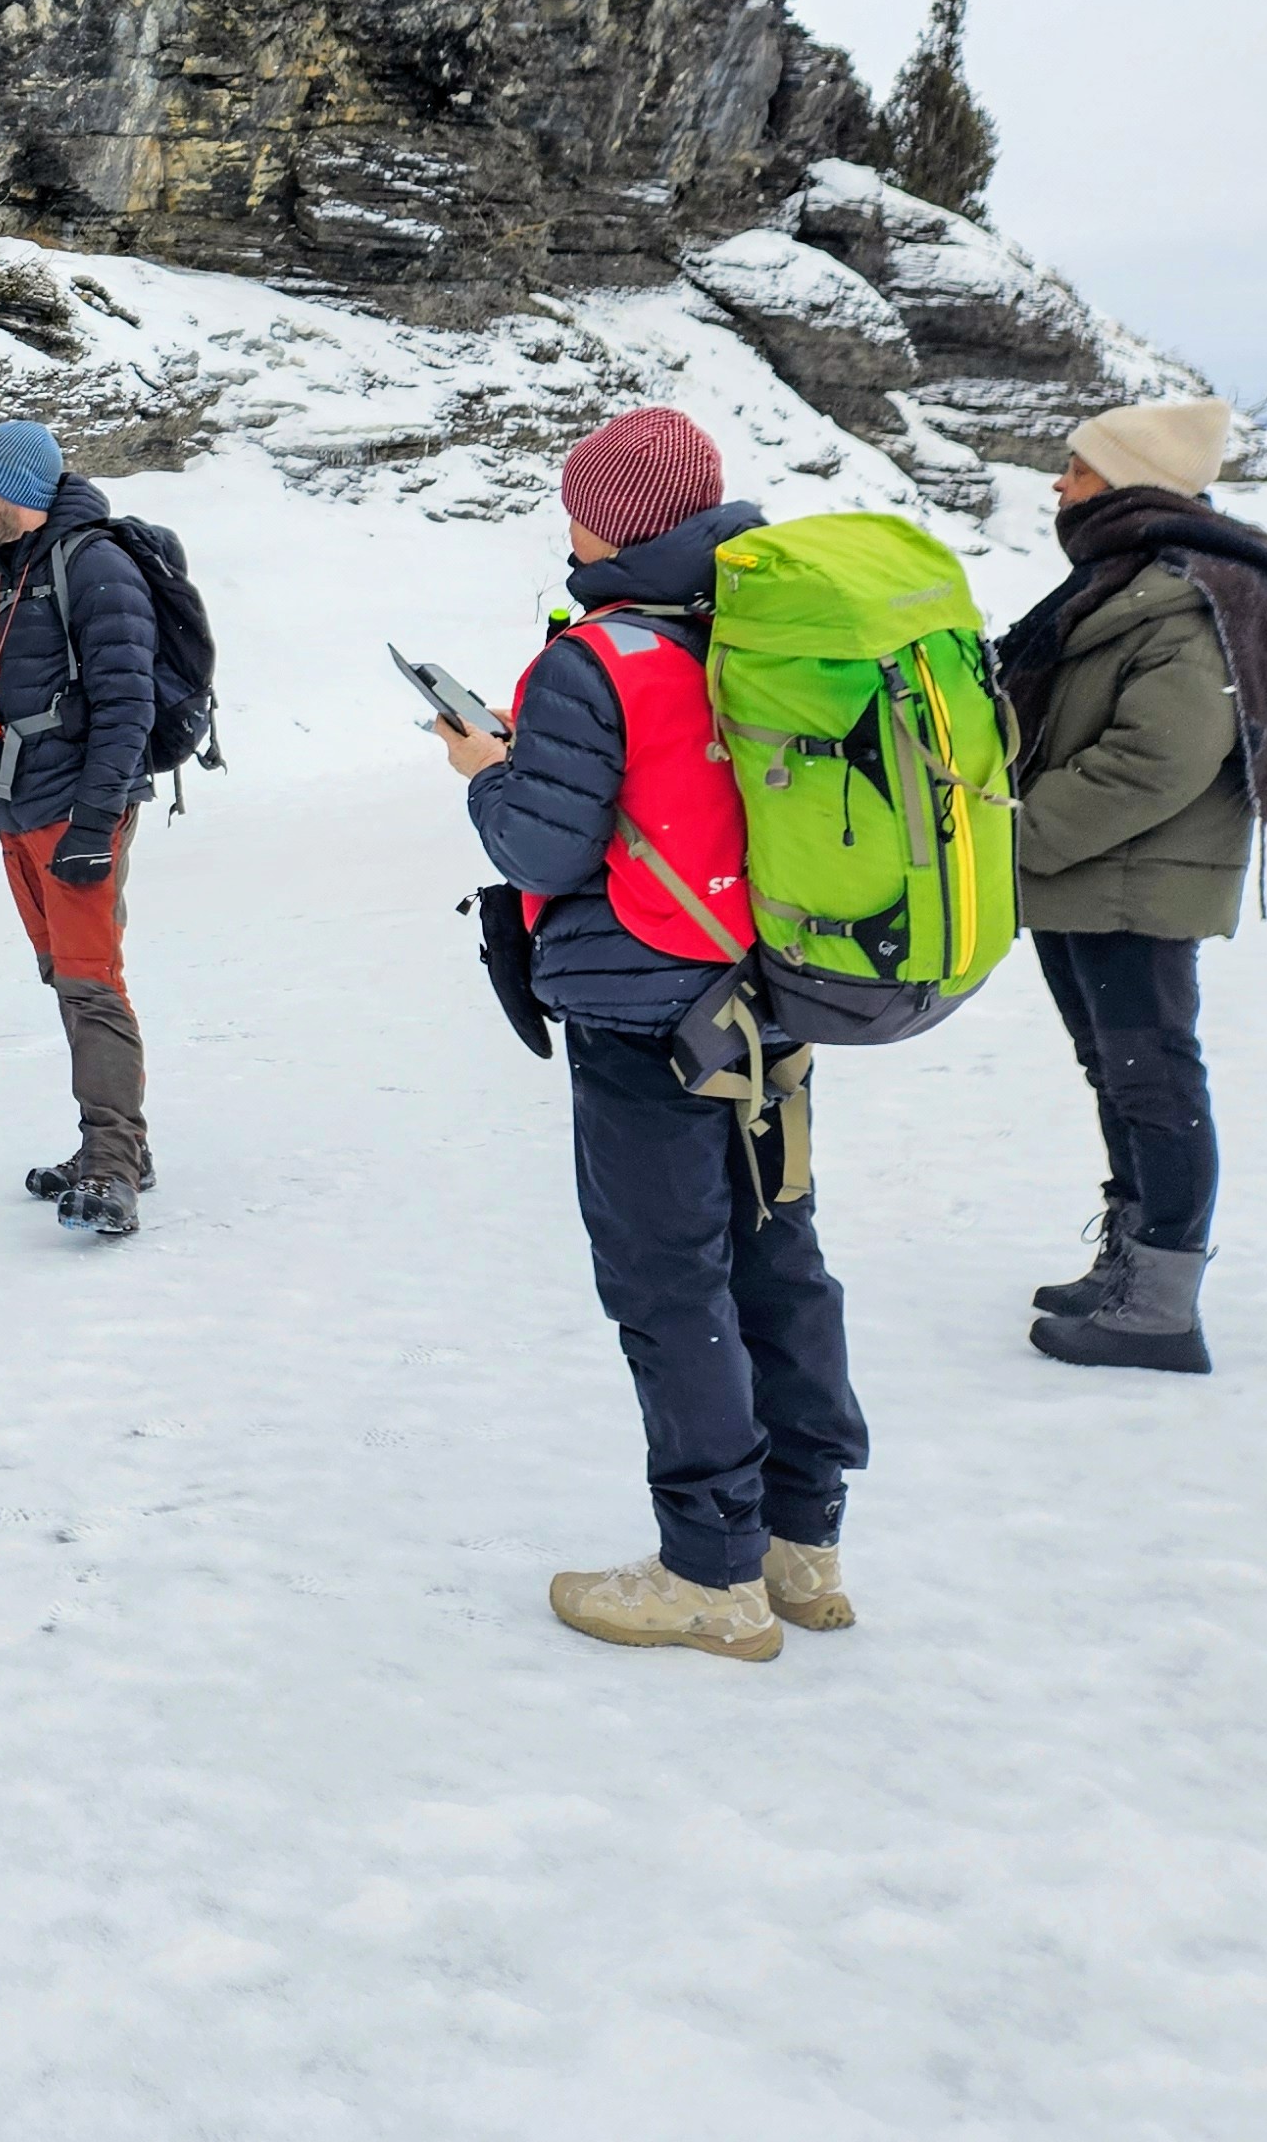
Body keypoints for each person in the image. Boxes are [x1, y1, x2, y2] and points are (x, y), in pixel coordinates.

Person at [437, 405, 867, 1662]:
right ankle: (802, 1545)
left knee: (669, 1282)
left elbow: (542, 846)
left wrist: (484, 767)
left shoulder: (600, 655)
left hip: (644, 1015)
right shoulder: (758, 626)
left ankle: (708, 1575)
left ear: (612, 521)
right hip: (767, 997)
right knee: (776, 1254)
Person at [999, 396, 1267, 1376]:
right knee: (1122, 1075)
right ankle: (1130, 1265)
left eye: (1077, 468)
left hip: (1128, 878)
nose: (1060, 484)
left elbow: (1159, 759)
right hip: (1087, 875)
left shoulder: (1188, 594)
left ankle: (1158, 1306)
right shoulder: (1125, 580)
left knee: (1153, 1080)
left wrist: (1018, 832)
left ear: (1128, 480)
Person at [0, 420, 162, 1236]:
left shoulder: (96, 566)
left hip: (74, 810)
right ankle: (119, 1149)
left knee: (90, 980)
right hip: (14, 807)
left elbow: (128, 705)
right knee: (63, 974)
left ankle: (112, 1162)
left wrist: (95, 821)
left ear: (20, 492)